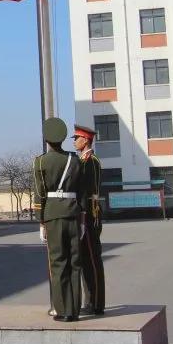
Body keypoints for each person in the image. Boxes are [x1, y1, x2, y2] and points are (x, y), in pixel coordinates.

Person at [34, 117, 87, 322]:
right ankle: (74, 310)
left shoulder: (40, 162)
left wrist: (41, 220)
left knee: (58, 262)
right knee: (75, 261)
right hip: (73, 213)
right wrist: (82, 218)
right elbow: (81, 192)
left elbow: (40, 194)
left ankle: (62, 309)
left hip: (53, 215)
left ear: (47, 139)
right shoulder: (74, 160)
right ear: (63, 138)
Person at [72, 124, 105, 316]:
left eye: (77, 138)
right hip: (86, 214)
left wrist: (84, 217)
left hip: (90, 214)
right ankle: (91, 301)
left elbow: (87, 192)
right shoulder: (84, 160)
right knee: (86, 259)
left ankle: (95, 302)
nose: (75, 141)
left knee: (91, 259)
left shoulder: (90, 161)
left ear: (85, 140)